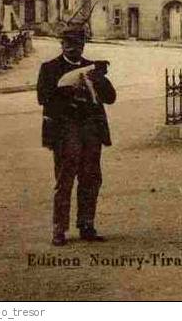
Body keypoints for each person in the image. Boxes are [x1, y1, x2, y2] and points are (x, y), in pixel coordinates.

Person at [37, 26, 116, 246]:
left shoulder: (91, 67)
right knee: (65, 179)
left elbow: (110, 98)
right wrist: (68, 92)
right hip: (65, 128)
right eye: (69, 44)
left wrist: (99, 79)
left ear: (84, 45)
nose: (74, 48)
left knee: (91, 178)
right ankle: (59, 229)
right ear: (61, 44)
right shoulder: (50, 68)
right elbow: (43, 97)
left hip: (90, 128)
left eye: (79, 44)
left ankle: (86, 224)